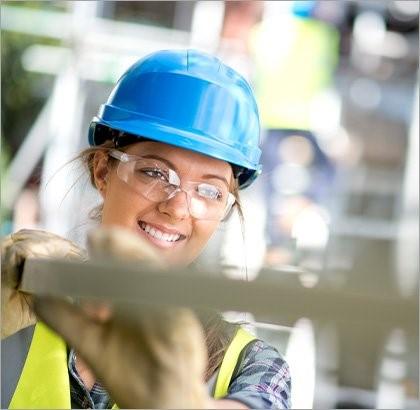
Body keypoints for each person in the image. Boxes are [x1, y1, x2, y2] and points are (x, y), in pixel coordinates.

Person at [1, 49, 291, 409]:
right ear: (103, 171)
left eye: (209, 190)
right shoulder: (15, 304)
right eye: (155, 172)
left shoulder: (251, 367)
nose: (178, 207)